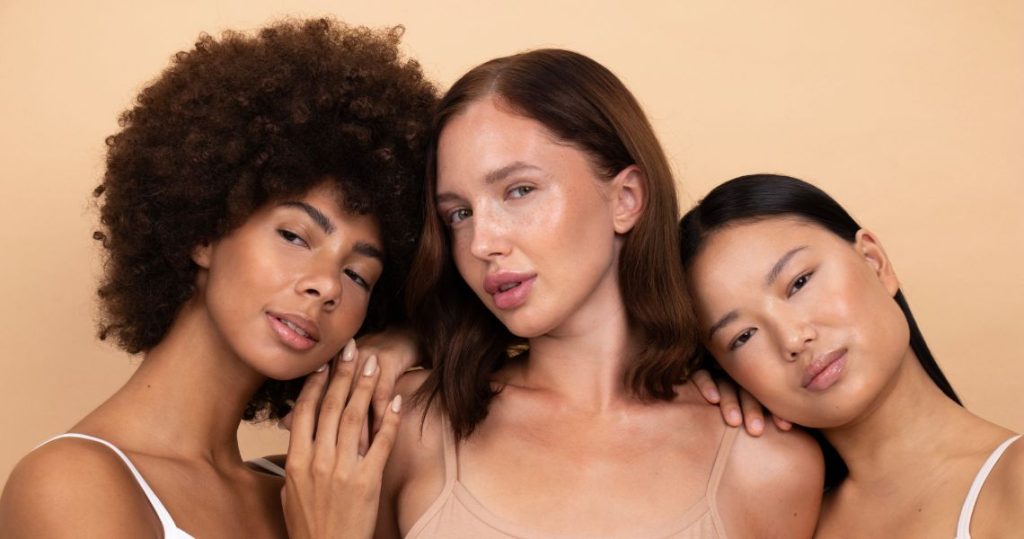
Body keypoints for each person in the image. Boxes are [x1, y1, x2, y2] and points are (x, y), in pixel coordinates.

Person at [0, 18, 437, 538]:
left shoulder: (317, 483)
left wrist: (409, 340)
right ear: (205, 233)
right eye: (294, 236)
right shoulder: (70, 485)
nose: (327, 285)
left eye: (358, 275)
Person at [368, 49, 824, 538]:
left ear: (626, 199)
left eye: (519, 190)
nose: (482, 243)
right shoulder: (406, 424)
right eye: (459, 214)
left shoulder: (766, 463)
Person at [679, 174, 1023, 537]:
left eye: (799, 283)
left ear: (875, 262)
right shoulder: (774, 524)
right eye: (743, 337)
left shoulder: (1014, 481)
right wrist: (696, 414)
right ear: (729, 374)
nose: (793, 338)